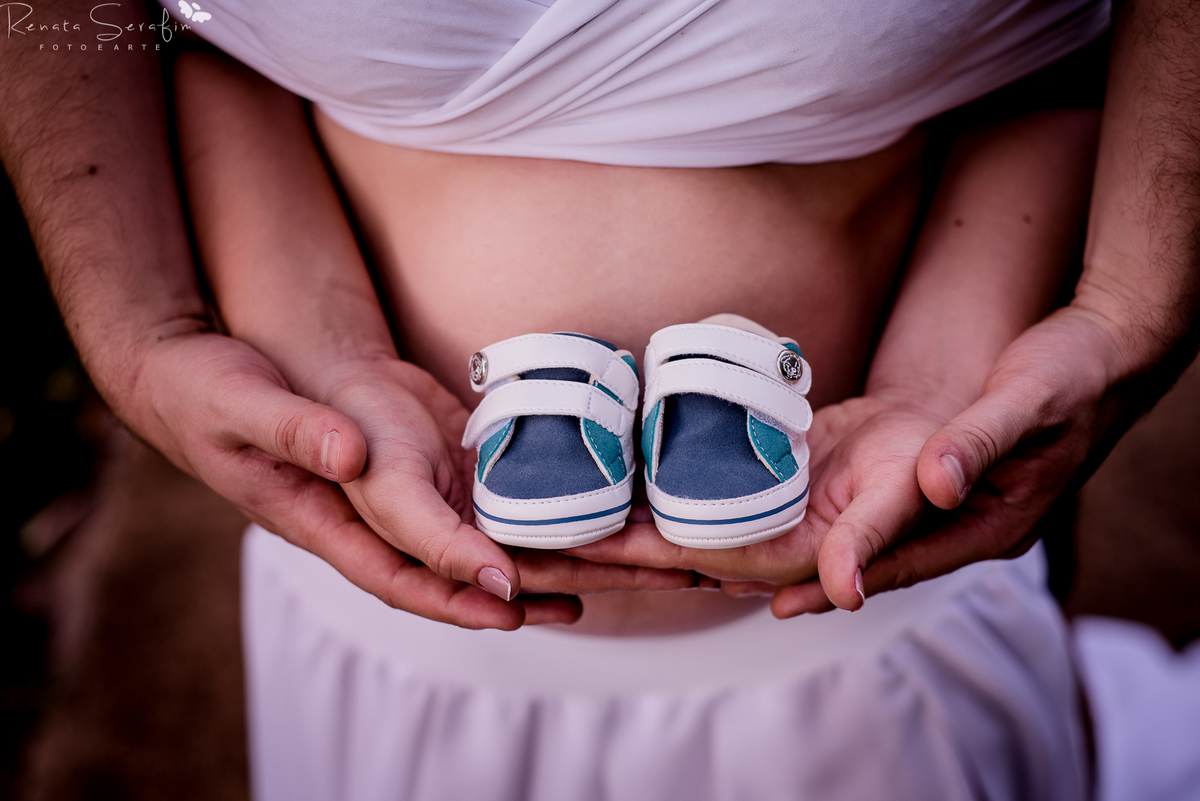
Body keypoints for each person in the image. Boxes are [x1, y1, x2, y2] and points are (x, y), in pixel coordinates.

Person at [1, 0, 1197, 797]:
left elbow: (1080, 49)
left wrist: (1069, 330)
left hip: (866, 639)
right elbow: (145, 25)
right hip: (394, 643)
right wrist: (139, 321)